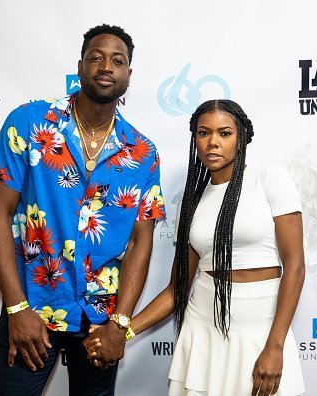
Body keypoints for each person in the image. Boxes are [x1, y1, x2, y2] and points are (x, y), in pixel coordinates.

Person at [0, 24, 165, 396]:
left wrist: (120, 323)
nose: (106, 67)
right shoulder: (30, 123)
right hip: (32, 309)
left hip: (99, 321)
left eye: (118, 60)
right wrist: (17, 309)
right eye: (96, 57)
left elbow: (139, 243)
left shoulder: (143, 153)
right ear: (80, 67)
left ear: (129, 74)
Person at [86, 99, 305, 396]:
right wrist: (121, 332)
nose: (213, 142)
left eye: (224, 133)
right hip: (204, 330)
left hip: (261, 329)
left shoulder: (269, 178)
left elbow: (295, 266)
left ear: (241, 137)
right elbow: (176, 290)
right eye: (204, 133)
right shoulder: (191, 202)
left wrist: (275, 345)